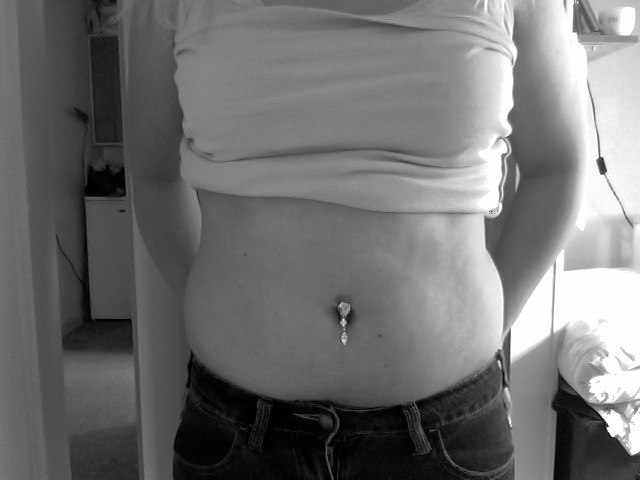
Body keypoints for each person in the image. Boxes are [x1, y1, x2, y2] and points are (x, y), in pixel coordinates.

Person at [117, 0, 589, 477]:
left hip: (448, 432)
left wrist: (479, 329)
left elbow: (558, 168)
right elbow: (154, 175)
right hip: (238, 433)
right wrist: (213, 311)